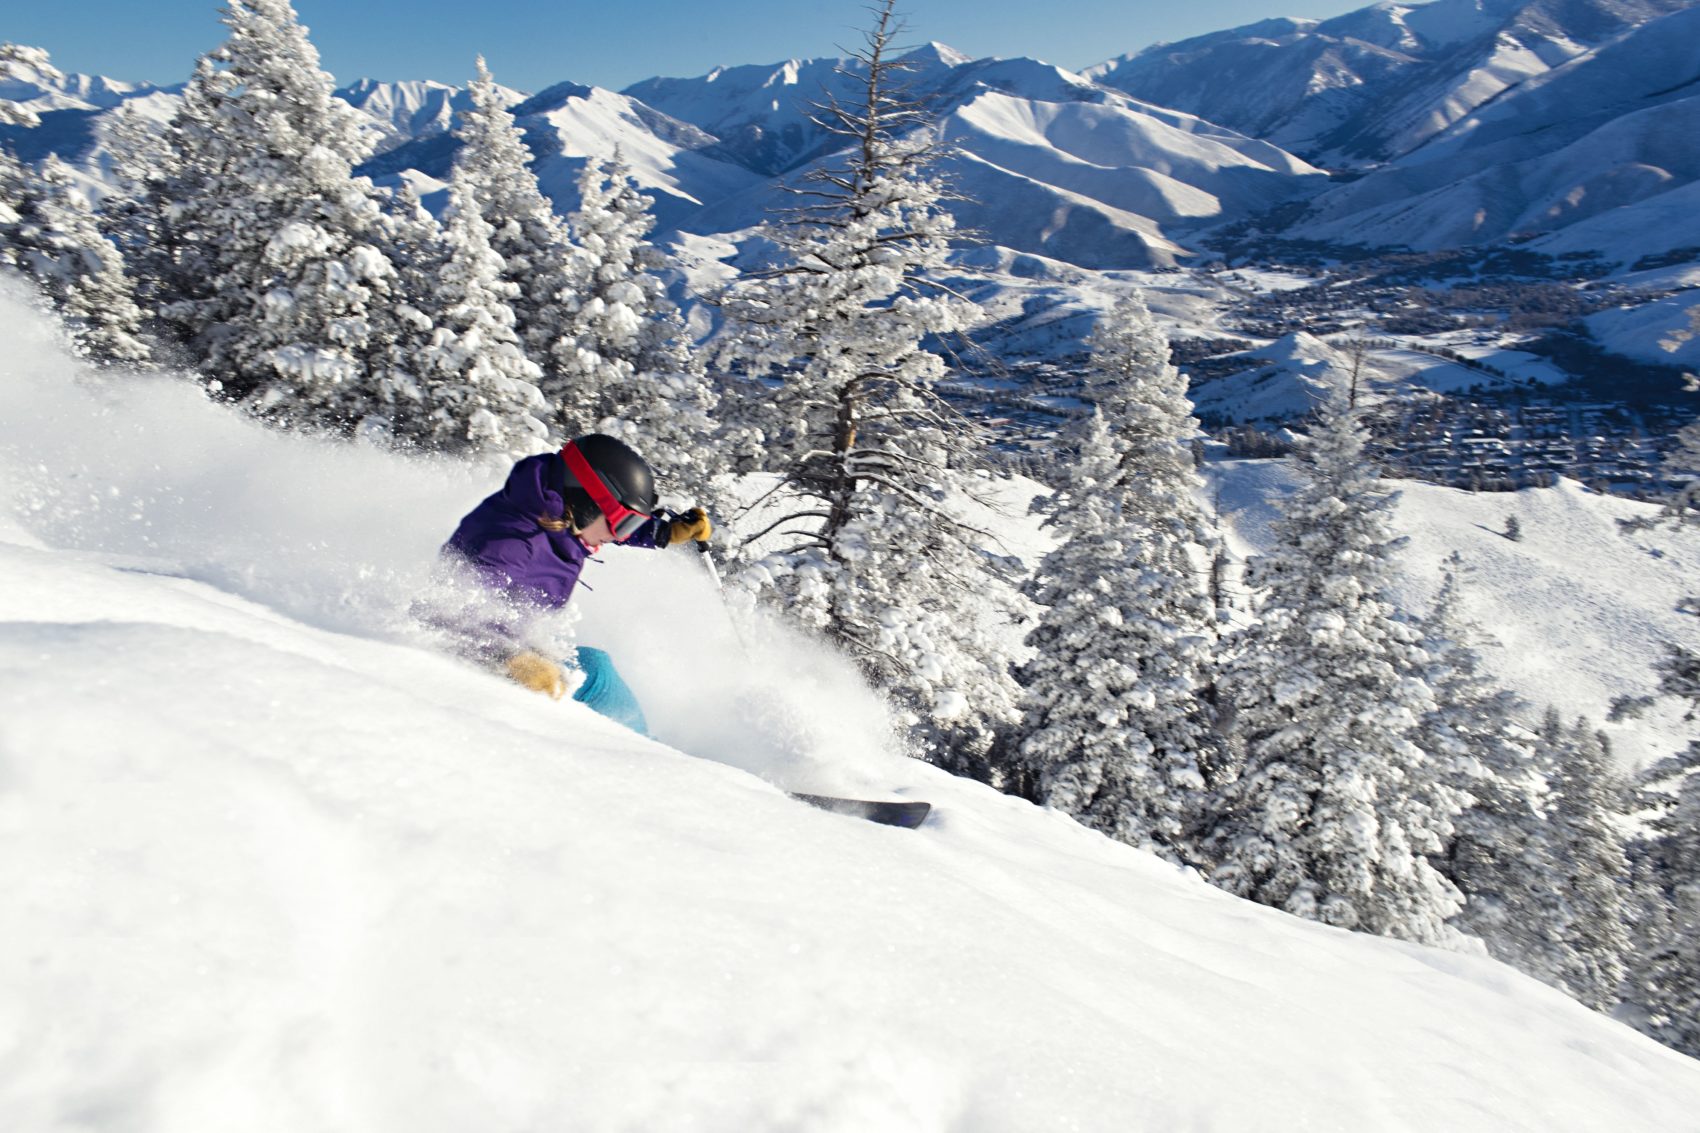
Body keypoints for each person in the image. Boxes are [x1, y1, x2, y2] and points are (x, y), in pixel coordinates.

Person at [438, 433, 712, 735]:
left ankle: (648, 750)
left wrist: (663, 532)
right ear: (587, 504)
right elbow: (447, 614)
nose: (619, 536)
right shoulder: (509, 544)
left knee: (597, 667)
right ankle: (647, 756)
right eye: (624, 524)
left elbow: (604, 525)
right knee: (598, 677)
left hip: (519, 648)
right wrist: (512, 660)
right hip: (489, 667)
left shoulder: (554, 516)